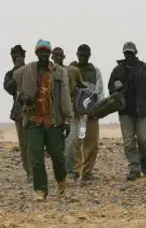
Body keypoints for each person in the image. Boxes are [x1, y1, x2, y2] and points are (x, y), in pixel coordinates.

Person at [13, 40, 72, 201]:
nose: (44, 55)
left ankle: (61, 184)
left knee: (58, 157)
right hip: (33, 121)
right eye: (41, 52)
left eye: (46, 52)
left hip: (54, 121)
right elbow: (18, 91)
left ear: (50, 53)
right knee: (36, 158)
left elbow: (65, 96)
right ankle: (40, 190)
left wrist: (67, 119)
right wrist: (23, 98)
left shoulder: (59, 72)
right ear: (36, 53)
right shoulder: (28, 72)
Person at [107, 42, 146, 181]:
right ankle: (134, 167)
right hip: (125, 111)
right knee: (128, 142)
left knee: (144, 139)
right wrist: (115, 88)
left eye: (130, 53)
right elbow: (110, 89)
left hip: (142, 111)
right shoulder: (117, 70)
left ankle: (143, 160)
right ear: (123, 54)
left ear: (135, 53)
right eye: (126, 53)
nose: (128, 55)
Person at [70, 44, 104, 182]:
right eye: (80, 55)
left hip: (91, 114)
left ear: (89, 56)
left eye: (85, 55)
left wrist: (94, 109)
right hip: (76, 115)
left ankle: (87, 172)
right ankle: (75, 170)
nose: (82, 57)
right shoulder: (71, 70)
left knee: (91, 143)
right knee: (76, 141)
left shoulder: (95, 71)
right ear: (77, 55)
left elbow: (99, 92)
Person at [51, 47, 85, 180]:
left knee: (72, 139)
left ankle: (70, 169)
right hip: (53, 110)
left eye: (61, 55)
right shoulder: (48, 72)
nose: (58, 58)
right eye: (56, 55)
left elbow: (82, 87)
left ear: (64, 56)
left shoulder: (72, 71)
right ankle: (62, 169)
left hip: (70, 108)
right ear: (52, 57)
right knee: (58, 141)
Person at [3, 45, 30, 179]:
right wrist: (17, 71)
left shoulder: (31, 70)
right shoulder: (10, 74)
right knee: (24, 144)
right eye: (13, 57)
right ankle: (29, 171)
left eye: (18, 57)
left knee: (35, 142)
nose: (15, 59)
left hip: (34, 111)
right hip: (19, 112)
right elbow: (10, 88)